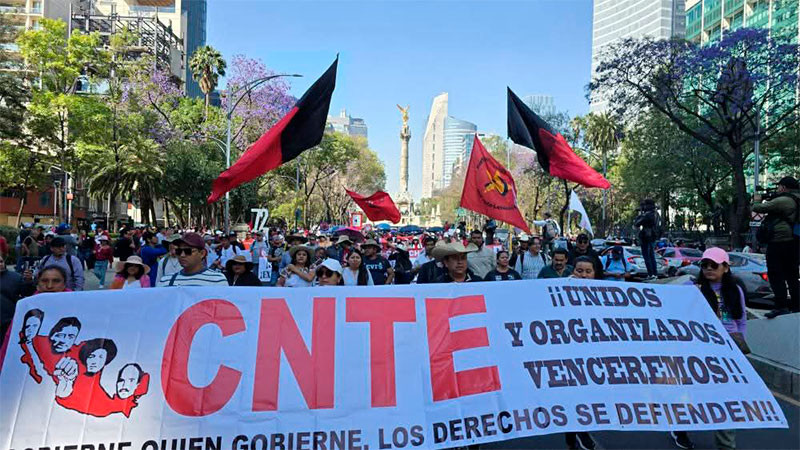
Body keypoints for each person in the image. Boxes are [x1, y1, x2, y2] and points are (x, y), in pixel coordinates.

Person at [689, 247, 748, 450]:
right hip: (700, 349)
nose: (708, 269)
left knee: (726, 398)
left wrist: (739, 347)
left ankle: (725, 445)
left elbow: (741, 320)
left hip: (728, 351)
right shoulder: (692, 288)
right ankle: (680, 427)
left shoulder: (735, 290)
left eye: (713, 265)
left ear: (725, 267)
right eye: (704, 264)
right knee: (693, 395)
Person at [563, 255, 599, 450]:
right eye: (579, 271)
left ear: (594, 274)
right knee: (572, 398)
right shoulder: (559, 291)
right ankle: (572, 437)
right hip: (568, 357)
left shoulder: (607, 295)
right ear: (572, 272)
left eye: (588, 271)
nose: (583, 276)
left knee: (587, 399)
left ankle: (582, 431)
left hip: (592, 358)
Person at [752, 176, 800, 318]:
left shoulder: (784, 200)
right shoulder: (797, 199)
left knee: (775, 274)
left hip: (779, 241)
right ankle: (796, 306)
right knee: (792, 276)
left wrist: (757, 199)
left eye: (779, 187)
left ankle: (781, 306)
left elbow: (758, 208)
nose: (778, 189)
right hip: (794, 242)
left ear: (784, 187)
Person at [159, 233, 228, 287]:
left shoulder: (218, 280)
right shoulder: (166, 281)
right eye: (179, 251)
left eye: (188, 251)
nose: (182, 255)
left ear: (202, 253)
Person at [1, 254, 30, 345]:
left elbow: (28, 294)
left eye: (1, 261)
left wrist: (28, 282)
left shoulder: (16, 277)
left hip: (8, 321)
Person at [634, 199, 661, 280]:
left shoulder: (647, 215)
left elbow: (637, 223)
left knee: (647, 256)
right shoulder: (656, 214)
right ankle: (654, 273)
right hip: (653, 236)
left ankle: (651, 274)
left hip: (646, 236)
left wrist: (640, 214)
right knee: (651, 255)